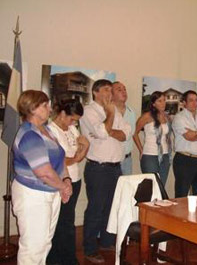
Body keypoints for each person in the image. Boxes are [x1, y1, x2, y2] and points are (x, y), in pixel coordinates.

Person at [11, 90, 72, 264]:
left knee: (44, 244)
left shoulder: (45, 130)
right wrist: (63, 186)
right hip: (32, 195)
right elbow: (43, 172)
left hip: (50, 192)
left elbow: (59, 159)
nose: (50, 108)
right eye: (45, 105)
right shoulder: (29, 134)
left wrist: (66, 181)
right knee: (32, 247)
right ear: (33, 108)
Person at [80, 79, 131, 263]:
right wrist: (109, 118)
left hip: (115, 168)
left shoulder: (114, 110)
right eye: (106, 89)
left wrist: (109, 129)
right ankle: (90, 248)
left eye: (111, 89)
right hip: (98, 169)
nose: (110, 93)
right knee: (96, 209)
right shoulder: (89, 111)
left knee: (111, 207)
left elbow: (126, 133)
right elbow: (102, 133)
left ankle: (106, 241)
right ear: (95, 92)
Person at [47, 98, 89, 265]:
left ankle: (66, 257)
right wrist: (78, 154)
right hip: (60, 181)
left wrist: (81, 151)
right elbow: (59, 160)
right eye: (72, 119)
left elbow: (81, 149)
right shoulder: (51, 130)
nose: (73, 123)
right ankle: (60, 259)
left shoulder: (71, 128)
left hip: (75, 179)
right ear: (63, 114)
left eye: (76, 121)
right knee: (61, 223)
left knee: (67, 221)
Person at [172, 90, 197, 197]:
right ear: (184, 102)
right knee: (182, 194)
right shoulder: (179, 117)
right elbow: (189, 137)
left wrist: (195, 133)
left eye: (196, 100)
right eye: (191, 100)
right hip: (185, 160)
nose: (194, 103)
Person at [133, 91, 172, 186]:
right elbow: (134, 133)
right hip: (150, 155)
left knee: (161, 186)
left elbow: (167, 136)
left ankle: (158, 201)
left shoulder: (167, 117)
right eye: (160, 101)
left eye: (164, 100)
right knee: (151, 186)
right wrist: (141, 149)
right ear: (153, 103)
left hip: (165, 155)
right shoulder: (147, 116)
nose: (163, 103)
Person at [112, 81, 136, 175]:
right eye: (119, 90)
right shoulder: (106, 112)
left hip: (127, 159)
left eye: (124, 89)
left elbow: (131, 134)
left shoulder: (131, 112)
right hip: (112, 160)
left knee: (126, 188)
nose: (124, 92)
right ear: (112, 94)